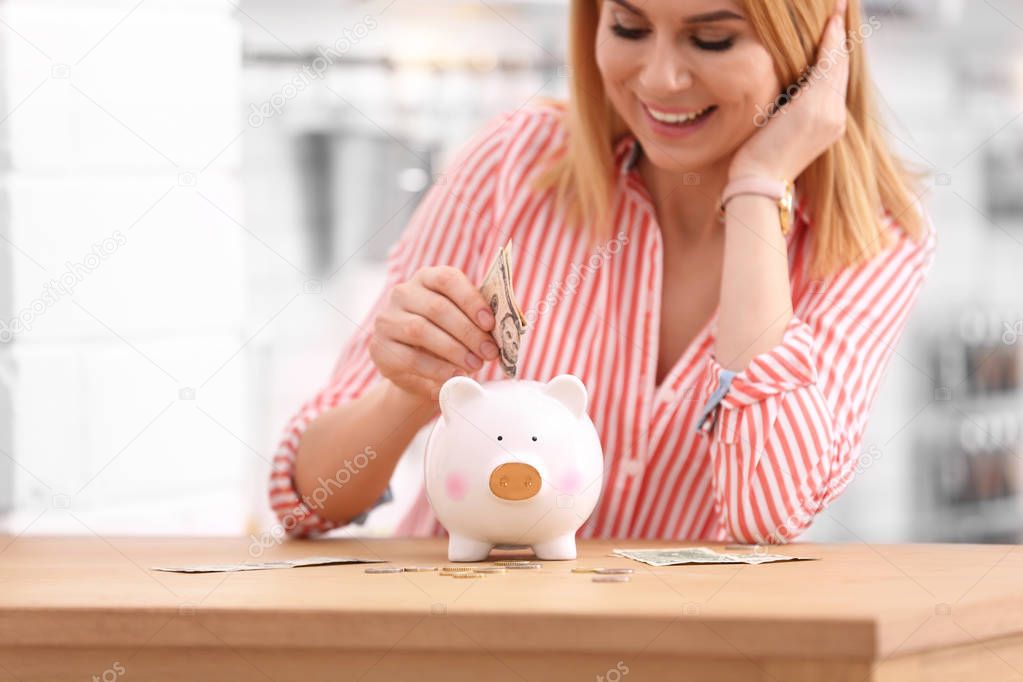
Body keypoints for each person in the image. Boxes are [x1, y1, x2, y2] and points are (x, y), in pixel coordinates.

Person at [269, 0, 936, 543]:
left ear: (813, 50)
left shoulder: (872, 242)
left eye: (711, 40)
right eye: (628, 28)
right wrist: (409, 392)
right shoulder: (510, 164)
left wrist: (758, 186)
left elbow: (766, 514)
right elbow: (305, 502)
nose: (657, 79)